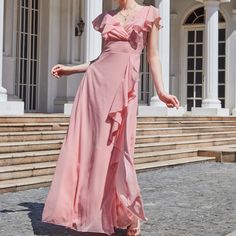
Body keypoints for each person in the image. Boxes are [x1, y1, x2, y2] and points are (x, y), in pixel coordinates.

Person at [41, 0, 180, 235]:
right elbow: (101, 59)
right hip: (96, 90)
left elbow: (153, 56)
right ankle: (93, 214)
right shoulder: (106, 17)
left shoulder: (149, 14)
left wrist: (161, 91)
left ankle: (129, 213)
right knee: (95, 151)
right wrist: (70, 69)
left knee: (123, 150)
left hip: (124, 92)